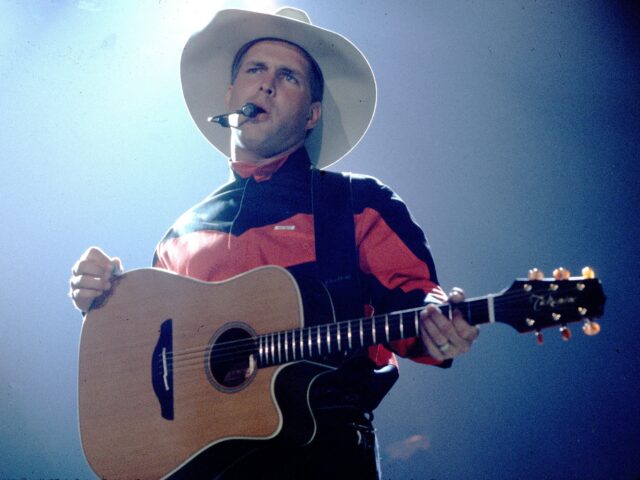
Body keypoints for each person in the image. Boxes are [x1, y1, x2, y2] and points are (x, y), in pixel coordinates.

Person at [69, 7, 479, 479]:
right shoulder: (180, 235)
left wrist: (441, 326)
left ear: (312, 114)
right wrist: (101, 297)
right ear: (231, 94)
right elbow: (146, 356)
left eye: (288, 77)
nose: (266, 84)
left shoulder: (357, 203)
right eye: (254, 70)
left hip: (325, 462)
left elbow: (417, 303)